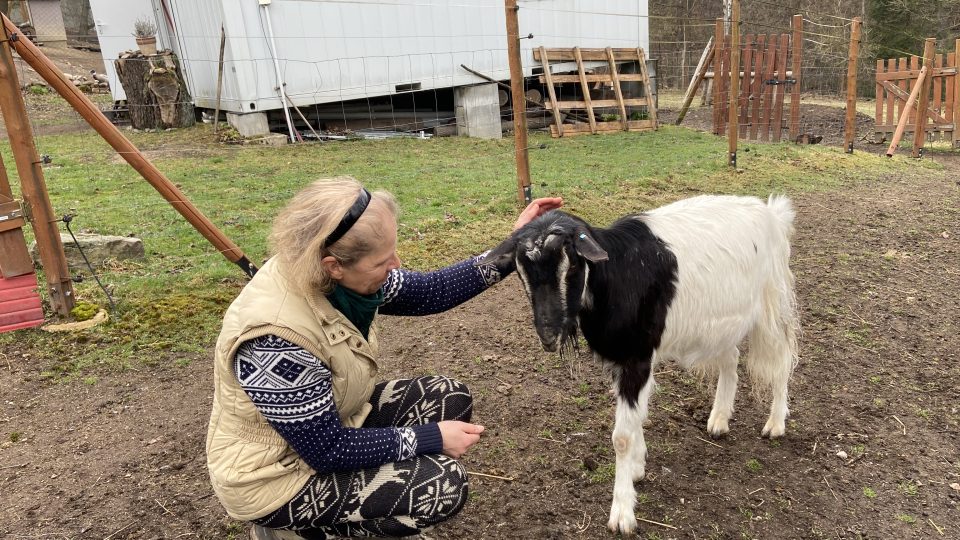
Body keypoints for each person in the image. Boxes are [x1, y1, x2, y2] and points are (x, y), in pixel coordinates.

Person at [206, 176, 562, 539]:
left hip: (329, 428)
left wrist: (516, 245)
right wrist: (431, 437)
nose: (396, 264)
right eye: (382, 261)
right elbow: (326, 451)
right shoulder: (276, 339)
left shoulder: (331, 278)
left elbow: (431, 292)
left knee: (445, 396)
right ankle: (294, 530)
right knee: (441, 485)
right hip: (275, 476)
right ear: (334, 265)